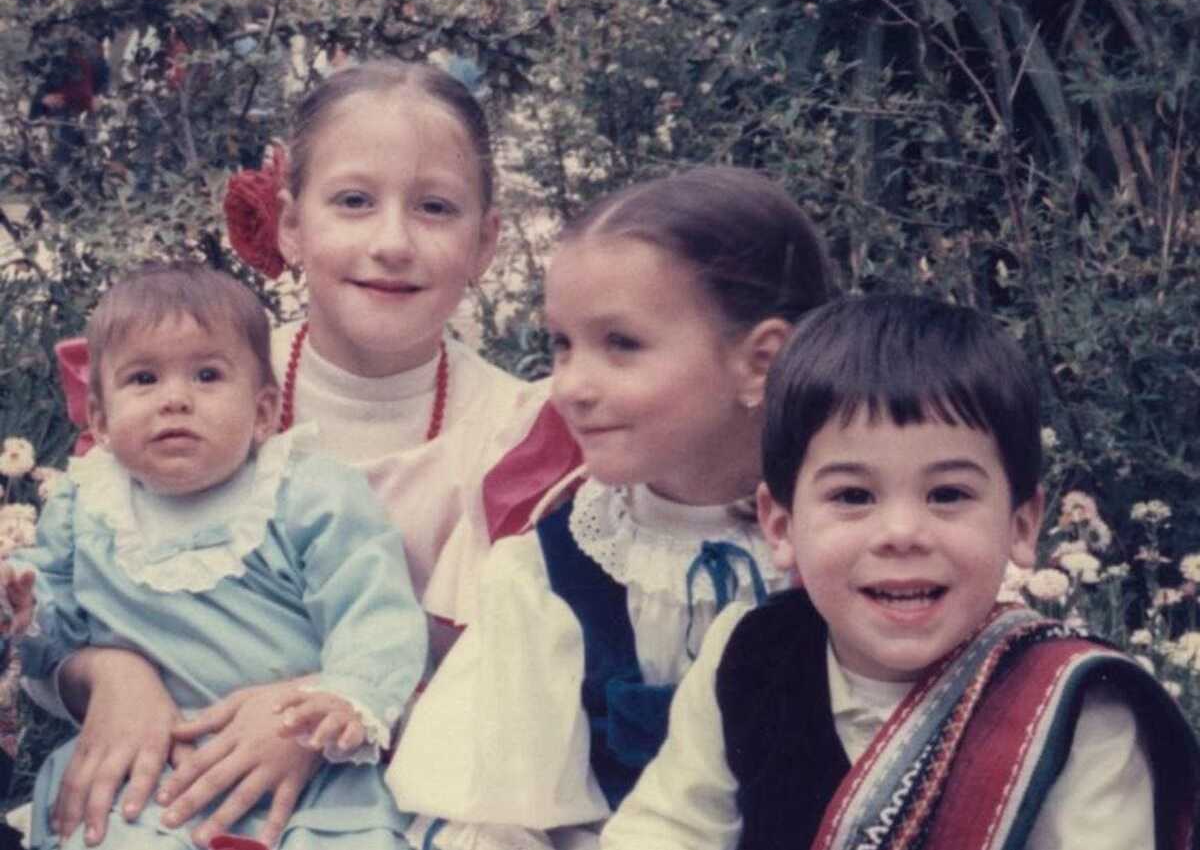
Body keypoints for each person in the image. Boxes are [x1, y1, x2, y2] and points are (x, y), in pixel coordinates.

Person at [42, 60, 575, 849]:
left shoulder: (518, 436)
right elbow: (83, 593)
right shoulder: (186, 388)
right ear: (292, 224)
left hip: (406, 803)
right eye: (354, 201)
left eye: (434, 207)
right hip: (175, 785)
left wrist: (315, 709)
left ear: (486, 241)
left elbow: (522, 689)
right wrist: (103, 670)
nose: (391, 242)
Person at [601, 294, 1200, 850]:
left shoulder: (1072, 707)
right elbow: (665, 830)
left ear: (1021, 523)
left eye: (947, 494)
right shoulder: (746, 656)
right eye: (854, 496)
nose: (902, 533)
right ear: (780, 526)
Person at [386, 166, 838, 850]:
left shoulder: (854, 550)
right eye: (563, 344)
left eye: (620, 344)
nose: (571, 384)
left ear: (760, 362)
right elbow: (505, 813)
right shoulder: (556, 572)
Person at [2, 263, 428, 848]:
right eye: (144, 379)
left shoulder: (308, 492)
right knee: (112, 833)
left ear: (261, 413)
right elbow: (55, 626)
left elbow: (375, 613)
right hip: (148, 769)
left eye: (207, 375)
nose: (175, 399)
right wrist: (21, 608)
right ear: (100, 420)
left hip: (304, 769)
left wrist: (340, 698)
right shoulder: (86, 504)